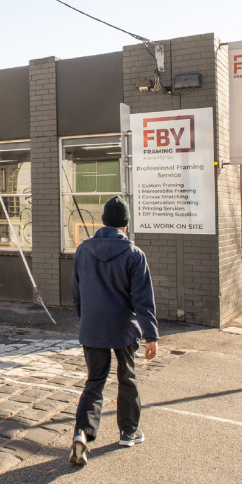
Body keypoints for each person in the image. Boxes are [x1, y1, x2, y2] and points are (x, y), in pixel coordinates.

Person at [69, 195, 158, 467]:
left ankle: (82, 433)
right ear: (125, 224)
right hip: (124, 328)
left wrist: (85, 319)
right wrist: (151, 336)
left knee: (95, 382)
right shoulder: (134, 254)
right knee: (126, 377)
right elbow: (143, 300)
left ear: (104, 221)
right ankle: (128, 432)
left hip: (92, 326)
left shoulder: (83, 250)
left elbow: (76, 292)